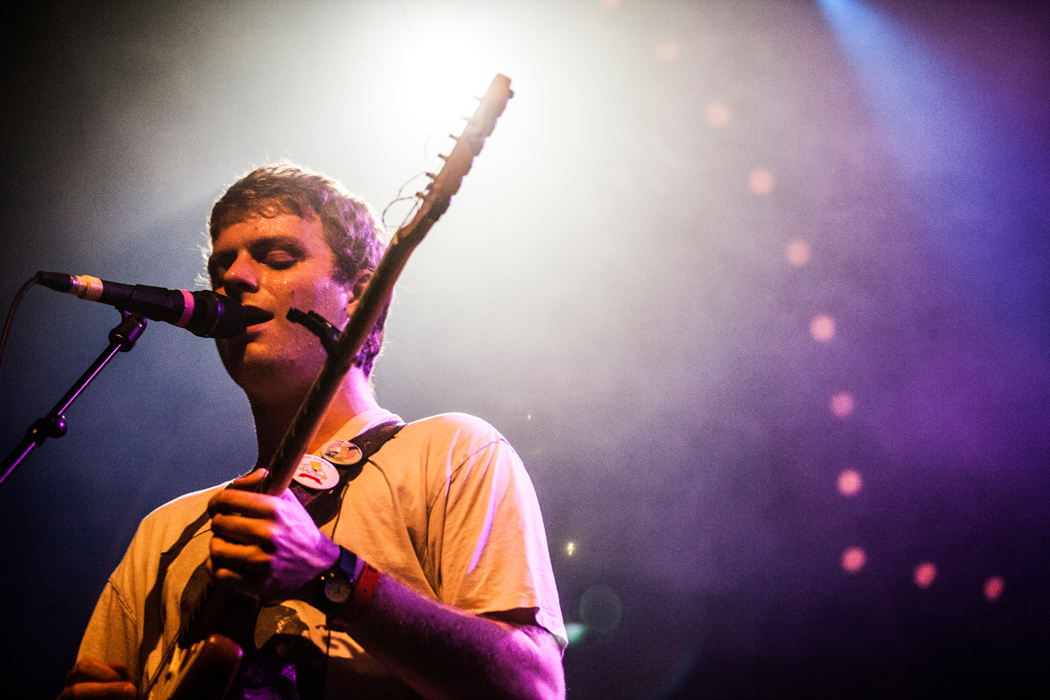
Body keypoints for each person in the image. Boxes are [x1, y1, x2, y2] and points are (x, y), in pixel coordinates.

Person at [59, 164, 567, 699]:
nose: (234, 278)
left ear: (358, 296)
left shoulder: (451, 452)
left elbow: (533, 686)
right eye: (221, 266)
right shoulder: (165, 534)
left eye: (278, 258)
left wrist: (333, 575)